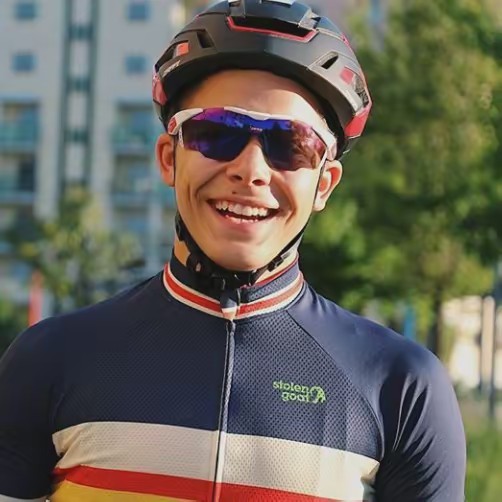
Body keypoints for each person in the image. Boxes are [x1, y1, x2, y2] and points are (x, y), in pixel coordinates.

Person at [0, 0, 466, 500]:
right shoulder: (48, 361)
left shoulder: (401, 388)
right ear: (168, 158)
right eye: (217, 133)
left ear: (325, 184)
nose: (251, 170)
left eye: (291, 144)